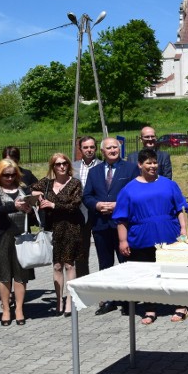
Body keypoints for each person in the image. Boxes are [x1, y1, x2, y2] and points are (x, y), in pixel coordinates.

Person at [113, 148, 188, 324]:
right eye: (148, 163)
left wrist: (184, 230)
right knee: (146, 275)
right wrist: (123, 241)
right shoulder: (128, 189)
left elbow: (181, 208)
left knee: (173, 273)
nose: (153, 166)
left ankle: (180, 305)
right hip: (141, 238)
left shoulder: (169, 184)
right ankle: (150, 308)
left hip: (169, 237)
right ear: (140, 165)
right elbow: (121, 218)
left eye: (155, 162)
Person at [83, 137, 139, 315]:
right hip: (101, 224)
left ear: (120, 149)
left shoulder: (130, 168)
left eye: (115, 147)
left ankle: (128, 301)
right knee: (105, 265)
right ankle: (109, 300)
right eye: (109, 148)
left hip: (122, 224)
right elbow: (87, 196)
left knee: (126, 263)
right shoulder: (95, 172)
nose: (113, 150)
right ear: (103, 151)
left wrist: (118, 205)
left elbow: (135, 193)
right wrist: (98, 205)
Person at [31, 154, 84, 318]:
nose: (62, 167)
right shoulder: (46, 183)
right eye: (58, 164)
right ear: (52, 167)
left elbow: (74, 205)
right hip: (53, 229)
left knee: (69, 264)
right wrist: (38, 196)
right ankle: (58, 300)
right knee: (56, 266)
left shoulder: (74, 183)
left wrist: (53, 204)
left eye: (64, 163)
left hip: (70, 228)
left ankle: (69, 300)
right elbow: (31, 188)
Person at [0, 159, 34, 326]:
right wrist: (14, 206)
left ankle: (19, 308)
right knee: (4, 274)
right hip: (1, 235)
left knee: (21, 274)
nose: (10, 178)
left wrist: (30, 207)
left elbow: (31, 211)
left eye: (13, 174)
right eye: (6, 175)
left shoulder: (23, 187)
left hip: (22, 235)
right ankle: (6, 309)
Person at [73, 135, 99, 278]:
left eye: (92, 147)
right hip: (80, 214)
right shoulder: (72, 166)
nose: (89, 150)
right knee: (81, 253)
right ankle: (83, 283)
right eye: (86, 147)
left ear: (96, 148)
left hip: (98, 212)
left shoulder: (102, 165)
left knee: (103, 252)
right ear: (80, 149)